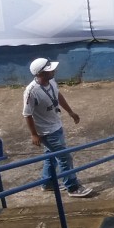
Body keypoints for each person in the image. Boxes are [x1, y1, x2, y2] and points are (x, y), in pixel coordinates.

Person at [23, 58, 94, 198]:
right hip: (46, 132)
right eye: (50, 69)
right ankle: (72, 187)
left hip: (56, 126)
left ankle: (47, 182)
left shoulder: (51, 82)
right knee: (64, 157)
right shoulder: (31, 92)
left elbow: (57, 95)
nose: (54, 70)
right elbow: (27, 114)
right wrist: (34, 134)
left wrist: (70, 111)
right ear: (42, 73)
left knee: (51, 157)